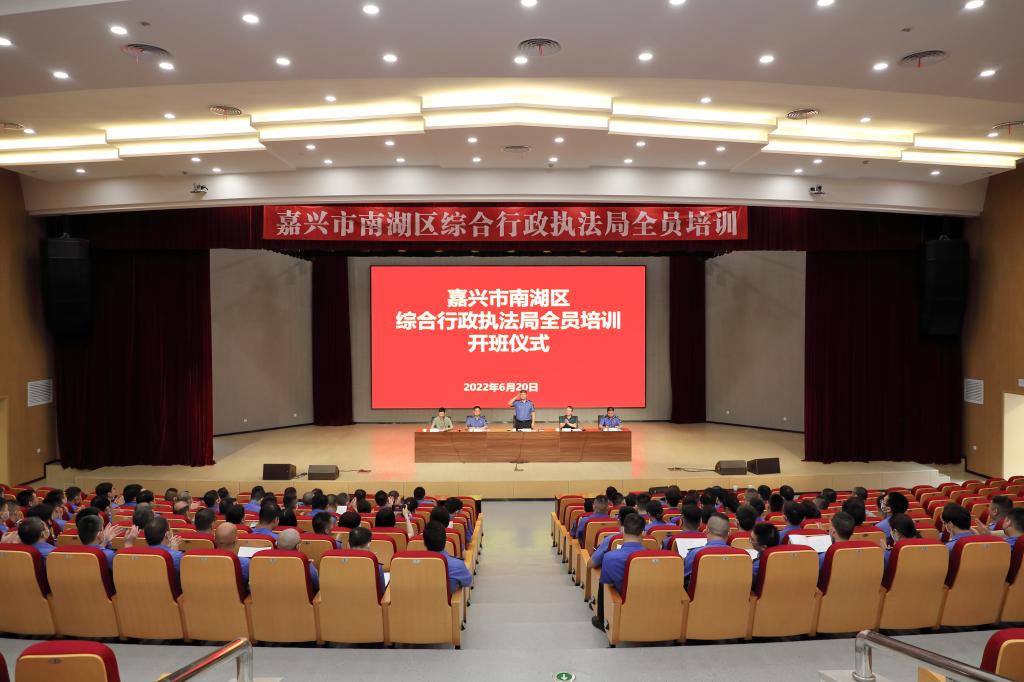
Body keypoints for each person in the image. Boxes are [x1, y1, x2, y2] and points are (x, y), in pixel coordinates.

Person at [593, 511, 646, 630]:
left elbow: (607, 584)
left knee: (603, 584)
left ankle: (601, 620)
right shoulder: (653, 557)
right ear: (644, 533)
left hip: (622, 606)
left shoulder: (610, 557)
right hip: (647, 602)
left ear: (622, 530)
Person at [423, 521, 472, 595]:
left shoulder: (411, 565)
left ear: (424, 543)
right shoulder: (457, 565)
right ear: (446, 540)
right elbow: (468, 581)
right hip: (446, 602)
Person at [684, 514, 730, 581]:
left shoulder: (695, 554)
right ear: (729, 533)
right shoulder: (742, 555)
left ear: (707, 530)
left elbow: (684, 578)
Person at [750, 522, 780, 586]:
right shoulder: (782, 558)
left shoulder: (757, 565)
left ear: (763, 547)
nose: (750, 541)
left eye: (752, 539)